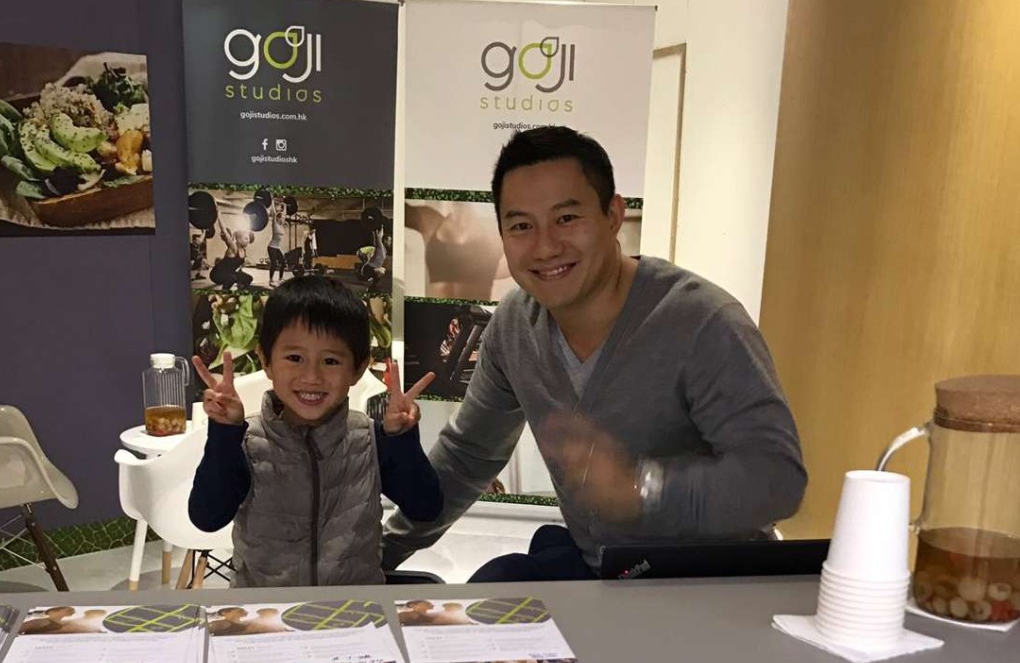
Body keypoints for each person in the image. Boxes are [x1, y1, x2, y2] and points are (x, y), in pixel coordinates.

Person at [382, 126, 807, 581]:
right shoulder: (515, 325)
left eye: (567, 219)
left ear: (613, 215)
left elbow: (776, 479)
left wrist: (642, 487)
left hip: (709, 582)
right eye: (522, 225)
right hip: (605, 572)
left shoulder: (702, 321)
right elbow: (468, 458)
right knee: (495, 588)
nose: (545, 246)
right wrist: (373, 557)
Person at [188, 275, 442, 587]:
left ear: (358, 368)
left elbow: (426, 508)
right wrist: (224, 435)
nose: (311, 376)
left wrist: (402, 440)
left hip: (353, 611)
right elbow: (206, 517)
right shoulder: (247, 443)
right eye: (294, 358)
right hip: (267, 614)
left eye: (331, 361)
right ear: (265, 360)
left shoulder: (370, 439)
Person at [267, 196, 288, 287]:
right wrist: (272, 201)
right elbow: (275, 213)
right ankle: (271, 280)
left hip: (277, 247)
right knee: (274, 264)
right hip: (271, 247)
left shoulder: (282, 225)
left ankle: (280, 278)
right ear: (278, 218)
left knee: (283, 262)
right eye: (281, 218)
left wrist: (285, 204)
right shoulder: (275, 224)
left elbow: (285, 213)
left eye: (283, 218)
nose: (282, 219)